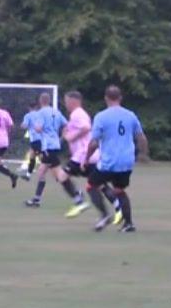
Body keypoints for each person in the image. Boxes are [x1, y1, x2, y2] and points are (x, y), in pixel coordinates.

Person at [83, 85, 149, 233]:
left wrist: (86, 158)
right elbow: (141, 138)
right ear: (120, 98)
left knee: (91, 186)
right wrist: (143, 154)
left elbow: (94, 143)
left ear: (106, 98)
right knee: (119, 191)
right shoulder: (130, 115)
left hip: (109, 161)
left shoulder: (101, 116)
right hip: (126, 161)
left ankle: (105, 215)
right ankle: (129, 224)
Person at [61, 90, 122, 221]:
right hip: (89, 155)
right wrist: (67, 133)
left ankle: (79, 201)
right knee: (97, 184)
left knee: (62, 176)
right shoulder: (76, 114)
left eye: (66, 101)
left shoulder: (77, 113)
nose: (65, 103)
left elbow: (86, 128)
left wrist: (70, 137)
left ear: (73, 101)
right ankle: (117, 207)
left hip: (82, 155)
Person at [24, 92, 70, 207]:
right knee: (45, 172)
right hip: (55, 144)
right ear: (49, 101)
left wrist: (34, 125)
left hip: (48, 146)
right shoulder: (56, 112)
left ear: (40, 101)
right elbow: (67, 125)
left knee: (55, 173)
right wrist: (62, 137)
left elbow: (39, 129)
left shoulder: (41, 113)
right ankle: (36, 199)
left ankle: (76, 193)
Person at [19, 101, 41, 180]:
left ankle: (58, 173)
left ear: (29, 108)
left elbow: (24, 125)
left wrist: (22, 126)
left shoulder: (28, 115)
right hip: (42, 139)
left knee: (44, 159)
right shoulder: (40, 114)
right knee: (32, 156)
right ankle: (28, 175)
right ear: (36, 107)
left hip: (36, 139)